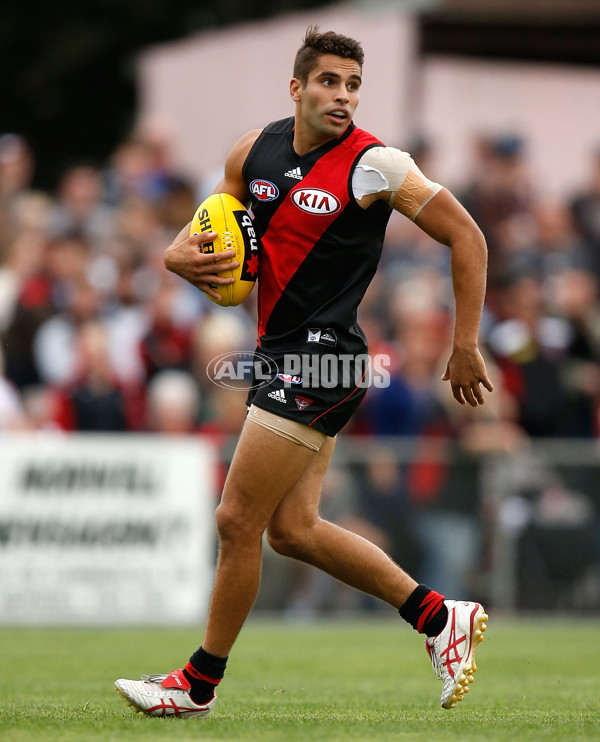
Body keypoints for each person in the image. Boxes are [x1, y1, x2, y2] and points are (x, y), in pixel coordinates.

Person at [115, 26, 493, 717]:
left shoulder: (376, 164)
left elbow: (467, 236)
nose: (342, 96)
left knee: (235, 521)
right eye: (329, 82)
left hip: (324, 360)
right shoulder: (251, 149)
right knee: (293, 531)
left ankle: (197, 685)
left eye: (352, 85)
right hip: (279, 356)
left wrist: (464, 342)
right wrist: (176, 256)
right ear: (297, 88)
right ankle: (440, 619)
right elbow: (206, 221)